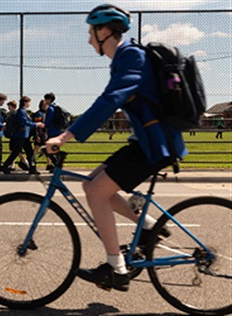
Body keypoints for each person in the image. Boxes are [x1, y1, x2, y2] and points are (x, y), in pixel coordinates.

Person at [46, 3, 187, 292]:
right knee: (92, 184)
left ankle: (116, 268)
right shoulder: (124, 59)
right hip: (146, 143)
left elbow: (108, 101)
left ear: (105, 31)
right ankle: (150, 228)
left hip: (155, 145)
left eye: (91, 31)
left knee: (98, 191)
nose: (88, 39)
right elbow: (110, 101)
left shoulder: (131, 57)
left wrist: (65, 137)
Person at [2, 96, 44, 174]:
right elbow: (24, 122)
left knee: (28, 152)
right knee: (18, 152)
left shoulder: (22, 111)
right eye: (29, 102)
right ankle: (6, 166)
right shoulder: (22, 112)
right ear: (25, 103)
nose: (29, 104)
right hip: (21, 135)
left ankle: (32, 168)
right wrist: (36, 124)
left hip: (23, 135)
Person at [4, 100, 29, 171]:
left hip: (15, 135)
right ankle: (13, 164)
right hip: (14, 135)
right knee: (13, 150)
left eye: (9, 106)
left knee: (15, 150)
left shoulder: (14, 114)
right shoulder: (12, 114)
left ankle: (23, 161)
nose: (8, 108)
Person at [43, 92, 62, 172]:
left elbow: (48, 121)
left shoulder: (50, 109)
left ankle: (56, 165)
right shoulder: (56, 107)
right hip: (57, 131)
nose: (45, 101)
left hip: (52, 131)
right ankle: (57, 165)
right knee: (54, 149)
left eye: (46, 99)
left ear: (49, 99)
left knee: (50, 149)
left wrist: (44, 127)